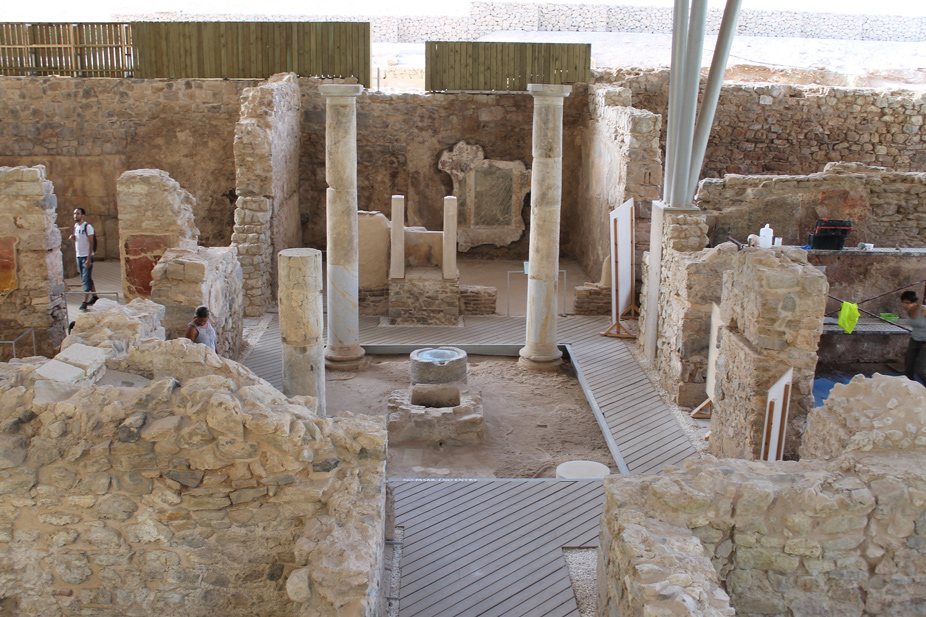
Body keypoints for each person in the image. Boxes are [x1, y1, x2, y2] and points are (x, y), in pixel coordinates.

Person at [68, 208, 99, 311]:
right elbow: (78, 238)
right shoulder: (76, 226)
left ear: (83, 215)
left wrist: (89, 258)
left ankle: (84, 301)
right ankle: (95, 297)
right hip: (79, 255)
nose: (76, 215)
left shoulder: (88, 227)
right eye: (74, 214)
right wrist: (73, 237)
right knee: (86, 277)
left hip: (86, 256)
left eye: (78, 213)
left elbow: (91, 243)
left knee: (85, 280)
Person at [900, 290, 926, 385]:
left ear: (914, 302)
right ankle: (909, 388)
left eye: (908, 303)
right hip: (914, 339)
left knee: (921, 370)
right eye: (903, 302)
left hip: (925, 342)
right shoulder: (909, 311)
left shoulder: (923, 310)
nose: (905, 305)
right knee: (908, 368)